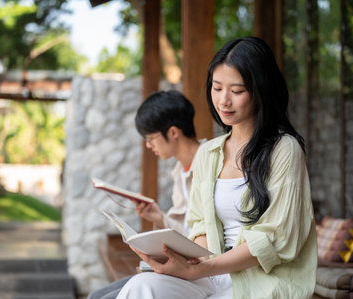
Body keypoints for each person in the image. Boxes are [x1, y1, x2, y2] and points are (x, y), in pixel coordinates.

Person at [116, 37, 318, 299]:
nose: (223, 101)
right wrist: (189, 264)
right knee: (140, 287)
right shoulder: (208, 154)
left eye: (236, 91)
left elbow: (276, 238)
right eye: (217, 87)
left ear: (260, 91)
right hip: (211, 274)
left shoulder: (284, 150)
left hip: (259, 281)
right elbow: (200, 227)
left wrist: (204, 269)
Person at [87, 90, 204, 299]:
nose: (149, 145)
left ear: (174, 132)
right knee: (96, 295)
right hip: (180, 262)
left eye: (151, 138)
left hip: (198, 268)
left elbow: (201, 236)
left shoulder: (209, 164)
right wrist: (158, 218)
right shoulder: (180, 171)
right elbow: (186, 228)